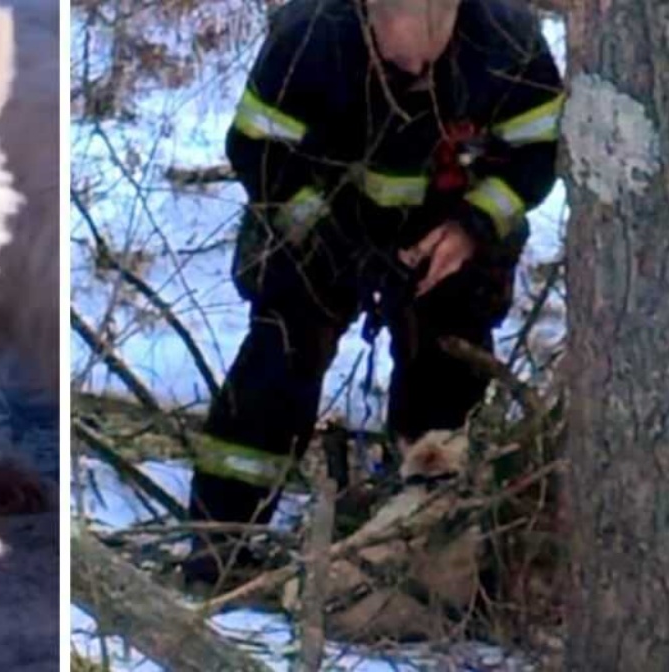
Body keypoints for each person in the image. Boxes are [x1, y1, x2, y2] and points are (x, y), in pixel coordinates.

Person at [181, 0, 563, 587]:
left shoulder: (508, 44)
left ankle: (424, 531)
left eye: (428, 49)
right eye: (395, 48)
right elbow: (258, 149)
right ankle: (220, 539)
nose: (412, 66)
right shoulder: (311, 35)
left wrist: (472, 227)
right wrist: (328, 236)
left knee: (448, 363)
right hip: (320, 223)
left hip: (448, 230)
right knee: (279, 360)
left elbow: (538, 154)